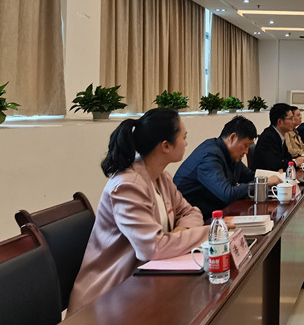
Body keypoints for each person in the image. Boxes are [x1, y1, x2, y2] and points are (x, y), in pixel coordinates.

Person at [68, 109, 208, 314]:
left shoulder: (162, 177)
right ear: (165, 146)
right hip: (108, 300)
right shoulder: (128, 186)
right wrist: (210, 233)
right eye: (184, 137)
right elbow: (153, 248)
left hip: (143, 285)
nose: (186, 143)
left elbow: (191, 212)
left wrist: (181, 231)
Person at [174, 116, 281, 220]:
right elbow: (227, 194)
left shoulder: (230, 154)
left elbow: (249, 176)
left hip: (214, 211)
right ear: (233, 138)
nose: (246, 151)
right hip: (192, 217)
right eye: (245, 146)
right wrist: (264, 183)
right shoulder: (210, 156)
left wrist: (276, 178)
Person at [252, 102, 304, 172]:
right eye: (291, 118)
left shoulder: (280, 135)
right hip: (265, 176)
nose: (293, 121)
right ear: (280, 122)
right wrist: (295, 163)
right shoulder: (268, 137)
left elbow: (287, 158)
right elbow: (274, 164)